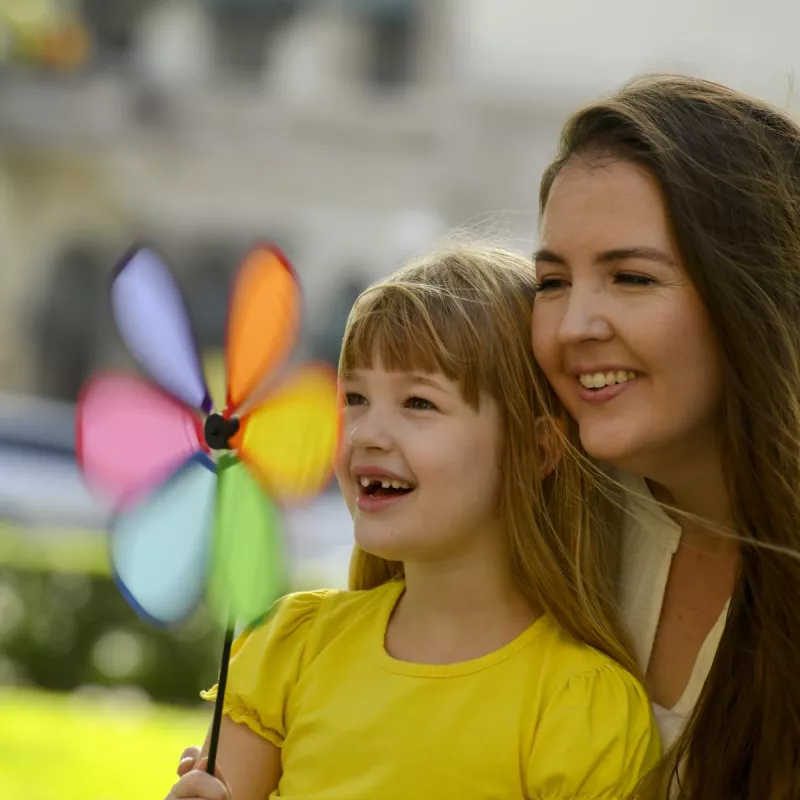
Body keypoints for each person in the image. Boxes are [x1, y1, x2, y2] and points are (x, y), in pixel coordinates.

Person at [166, 244, 659, 800]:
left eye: (419, 403)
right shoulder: (293, 648)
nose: (365, 433)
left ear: (538, 449)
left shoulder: (579, 706)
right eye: (354, 397)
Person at [531, 74, 800, 798]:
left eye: (632, 278)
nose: (574, 326)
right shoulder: (549, 526)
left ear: (751, 295)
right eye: (552, 283)